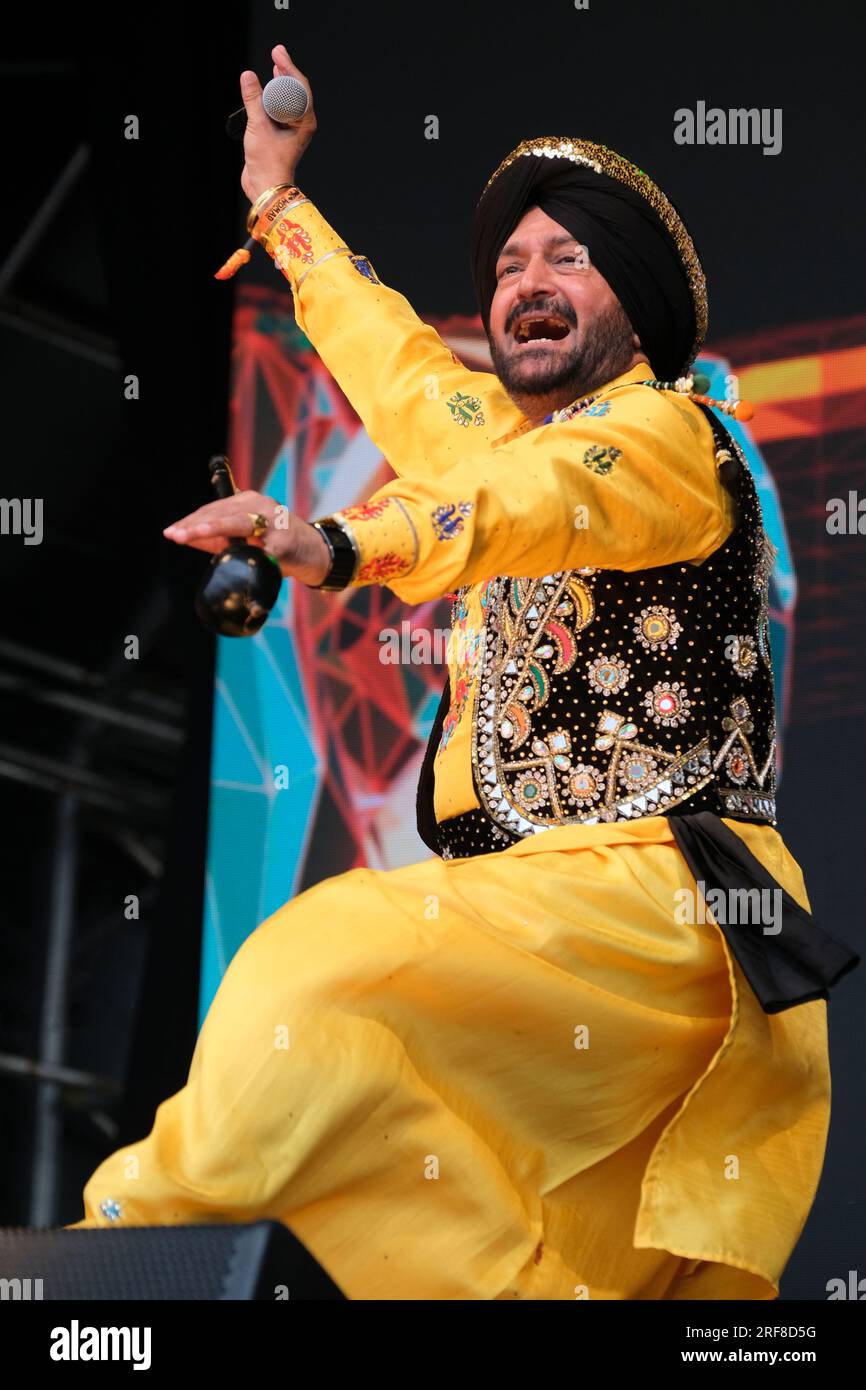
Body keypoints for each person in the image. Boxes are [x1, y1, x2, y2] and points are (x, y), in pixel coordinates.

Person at [67, 46, 858, 1300]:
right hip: (562, 931)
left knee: (311, 962)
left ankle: (117, 1270)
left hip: (655, 905)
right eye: (504, 268)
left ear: (637, 309)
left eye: (564, 259)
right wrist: (275, 199)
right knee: (376, 1092)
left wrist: (335, 540)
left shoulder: (664, 437)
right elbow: (400, 368)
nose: (524, 284)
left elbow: (515, 498)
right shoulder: (502, 436)